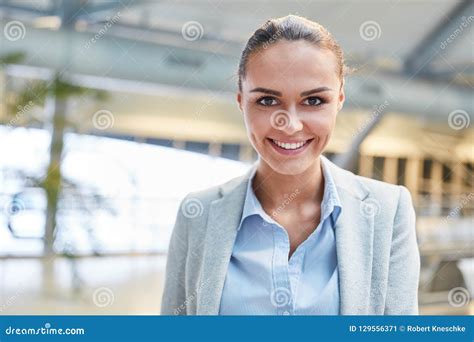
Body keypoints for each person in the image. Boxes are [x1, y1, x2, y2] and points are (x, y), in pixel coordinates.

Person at [161, 14, 420, 315]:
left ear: (339, 100)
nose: (291, 125)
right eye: (267, 101)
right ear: (241, 101)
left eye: (313, 101)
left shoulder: (388, 212)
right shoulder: (198, 215)